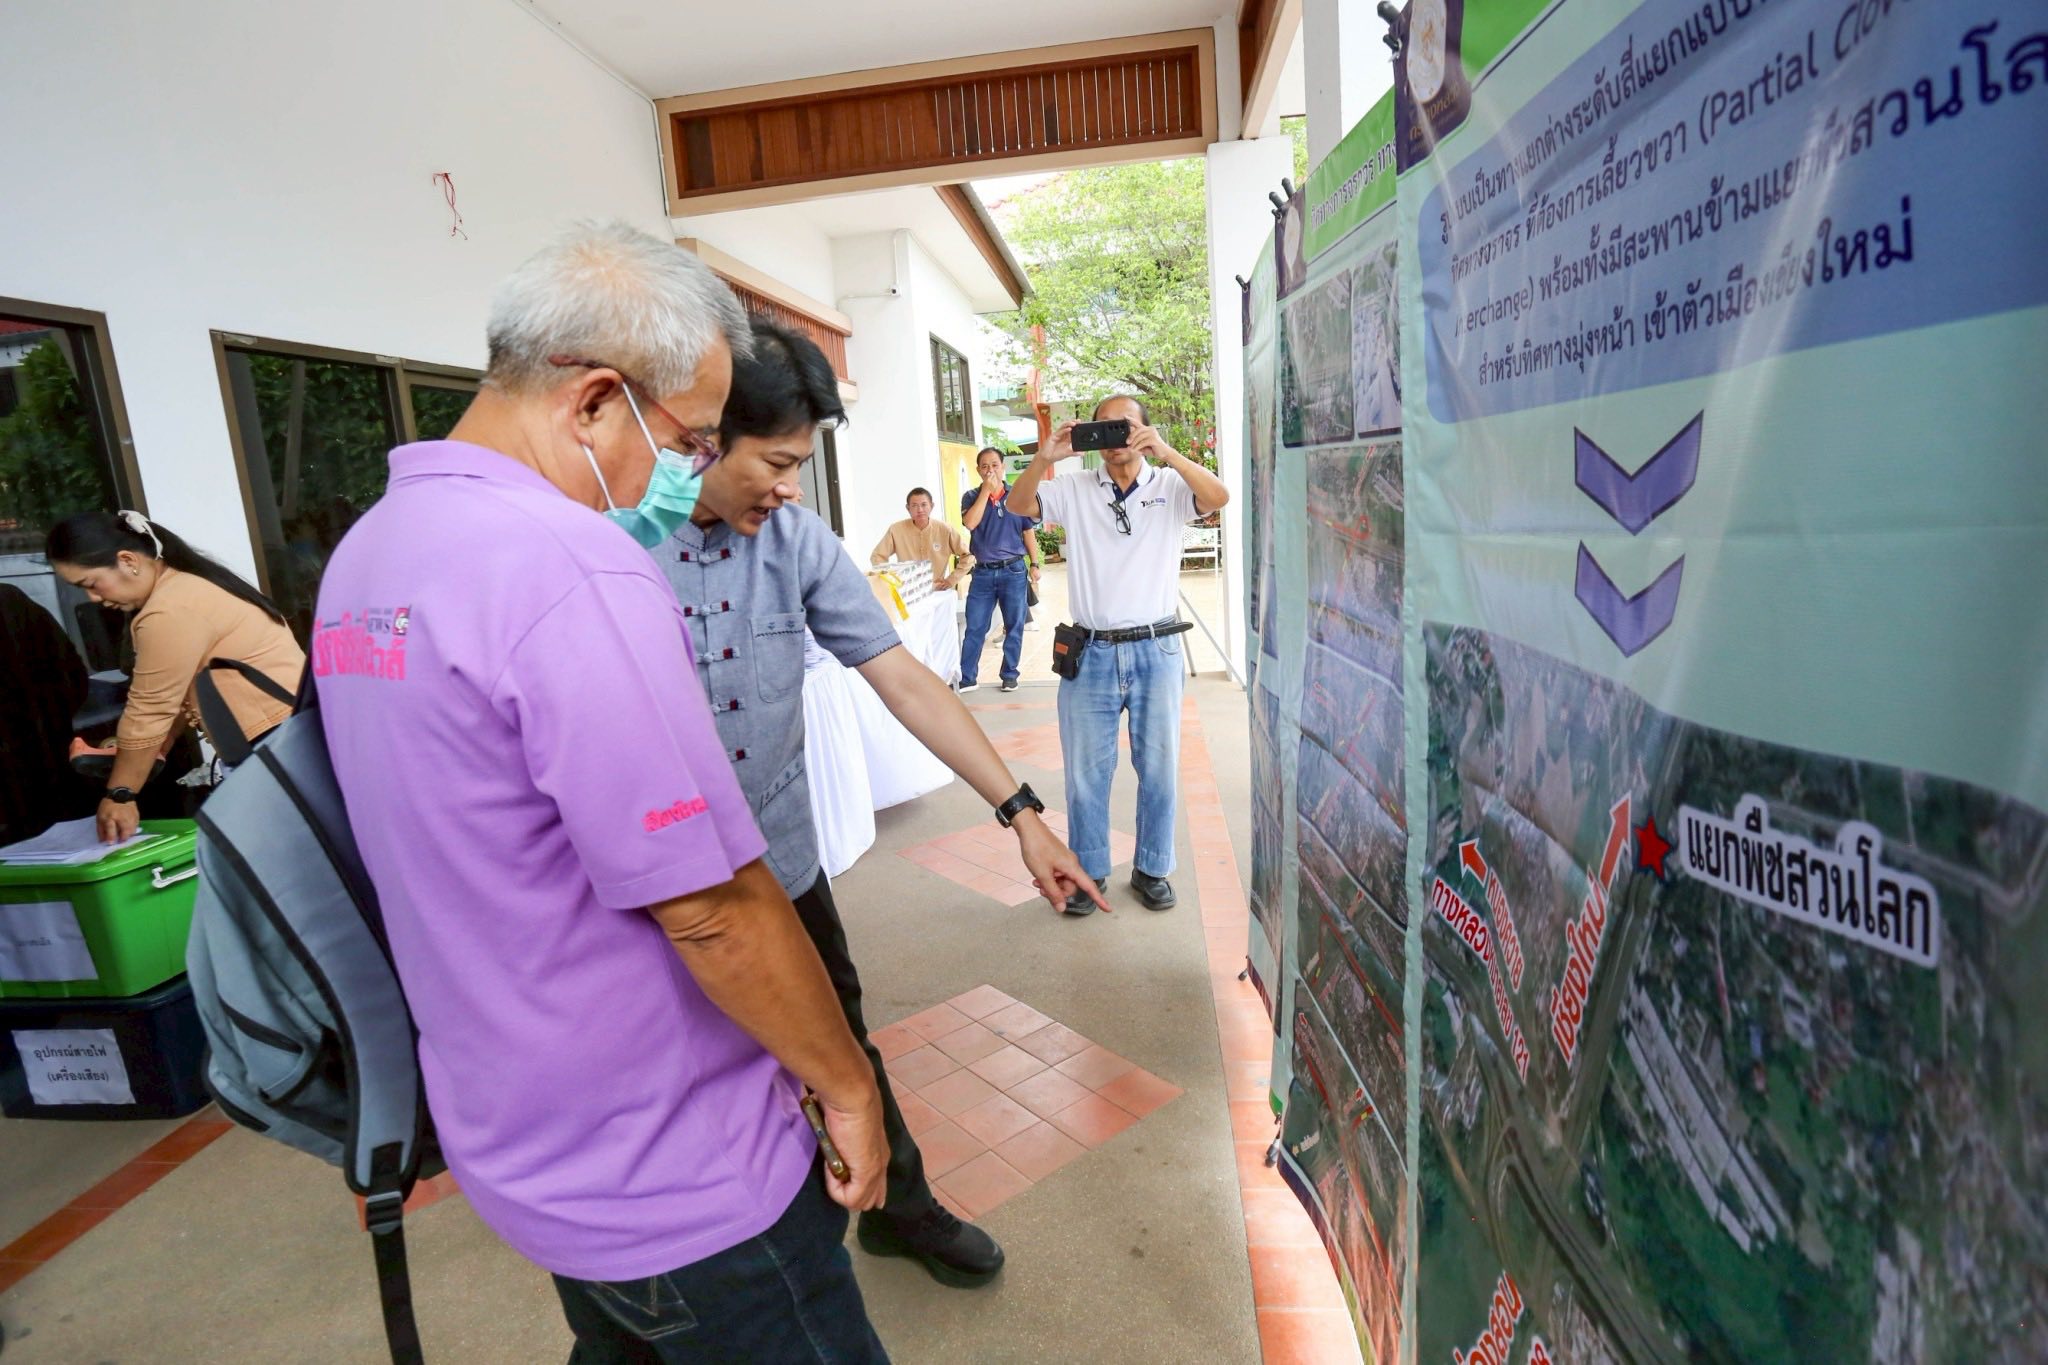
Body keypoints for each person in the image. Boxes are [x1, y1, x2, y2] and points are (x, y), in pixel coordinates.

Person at [314, 222, 892, 1363]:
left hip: (528, 1145)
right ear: (592, 402)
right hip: (677, 1163)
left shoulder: (370, 552)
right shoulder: (571, 568)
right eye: (685, 441)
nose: (682, 473)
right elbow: (711, 906)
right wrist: (850, 1085)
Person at [659, 318, 1107, 1290]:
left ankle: (900, 1210)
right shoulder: (613, 547)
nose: (790, 488)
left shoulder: (797, 541)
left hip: (775, 863)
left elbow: (902, 677)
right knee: (681, 1070)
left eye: (802, 465)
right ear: (703, 437)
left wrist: (1022, 814)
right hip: (653, 887)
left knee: (838, 1036)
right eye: (777, 463)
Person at [1008, 396, 1230, 914]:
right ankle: (1088, 871)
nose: (1114, 438)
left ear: (1144, 430)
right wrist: (1044, 458)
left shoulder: (1170, 485)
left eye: (1124, 427)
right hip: (1091, 652)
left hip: (1157, 647)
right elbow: (1018, 506)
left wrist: (1168, 453)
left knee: (1159, 767)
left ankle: (1152, 868)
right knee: (1085, 771)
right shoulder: (1075, 488)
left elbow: (1218, 497)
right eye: (1104, 428)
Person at [45, 510, 306, 843]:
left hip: (277, 748)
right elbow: (176, 696)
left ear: (127, 561)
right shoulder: (190, 585)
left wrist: (121, 794)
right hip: (291, 739)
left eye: (91, 584)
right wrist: (153, 750)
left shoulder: (169, 610)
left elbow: (151, 708)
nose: (93, 598)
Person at [957, 446, 1037, 692]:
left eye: (994, 465)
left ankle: (1010, 674)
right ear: (978, 470)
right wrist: (985, 492)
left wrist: (1035, 564)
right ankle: (967, 677)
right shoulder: (971, 496)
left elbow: (1028, 532)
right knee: (975, 626)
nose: (990, 470)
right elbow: (970, 523)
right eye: (984, 466)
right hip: (982, 573)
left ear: (1003, 467)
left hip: (1013, 571)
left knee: (1014, 625)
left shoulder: (1017, 496)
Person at [870, 487, 973, 592]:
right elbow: (877, 556)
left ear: (931, 506)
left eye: (924, 505)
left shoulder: (945, 530)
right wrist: (891, 580)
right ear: (908, 508)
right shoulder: (896, 530)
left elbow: (968, 555)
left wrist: (951, 580)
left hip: (936, 589)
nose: (920, 510)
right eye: (914, 506)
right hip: (907, 590)